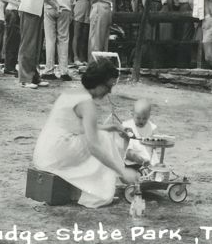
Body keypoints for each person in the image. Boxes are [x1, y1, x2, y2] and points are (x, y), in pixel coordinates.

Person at [32, 59, 140, 208]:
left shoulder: (72, 93)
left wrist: (111, 127)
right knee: (103, 140)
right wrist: (122, 171)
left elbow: (76, 128)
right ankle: (99, 193)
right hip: (56, 155)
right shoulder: (87, 103)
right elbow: (93, 146)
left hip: (45, 153)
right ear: (98, 83)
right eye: (109, 86)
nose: (110, 91)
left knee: (106, 135)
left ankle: (91, 186)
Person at [17, 0, 68, 89]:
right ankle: (24, 78)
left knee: (36, 47)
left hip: (38, 11)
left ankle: (34, 76)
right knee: (27, 45)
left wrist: (55, 5)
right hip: (29, 9)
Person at [43, 0, 75, 81]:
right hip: (65, 6)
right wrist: (72, 9)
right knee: (64, 39)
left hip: (49, 6)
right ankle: (64, 71)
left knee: (50, 39)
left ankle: (49, 69)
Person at [3, 0, 27, 75]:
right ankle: (8, 66)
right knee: (12, 39)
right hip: (12, 10)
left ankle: (13, 64)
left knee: (17, 39)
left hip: (18, 10)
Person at [122, 99, 160, 166]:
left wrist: (154, 143)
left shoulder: (150, 127)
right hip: (132, 151)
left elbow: (153, 144)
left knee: (153, 158)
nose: (141, 121)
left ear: (149, 116)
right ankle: (138, 161)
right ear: (132, 114)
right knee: (129, 151)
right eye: (138, 118)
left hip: (146, 152)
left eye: (144, 118)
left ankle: (147, 164)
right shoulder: (128, 125)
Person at [72, 0, 92, 65]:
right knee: (77, 33)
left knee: (85, 33)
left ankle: (82, 56)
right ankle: (75, 57)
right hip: (80, 3)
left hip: (89, 5)